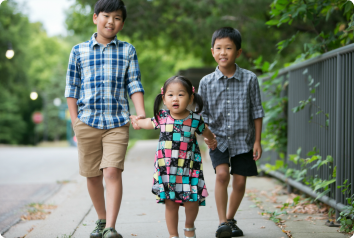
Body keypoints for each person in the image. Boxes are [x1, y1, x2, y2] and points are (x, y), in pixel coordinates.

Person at [65, 0, 145, 237]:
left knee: (111, 172)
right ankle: (100, 219)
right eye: (107, 16)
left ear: (122, 24)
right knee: (92, 174)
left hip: (117, 122)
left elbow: (134, 83)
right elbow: (72, 88)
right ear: (95, 18)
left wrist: (139, 113)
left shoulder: (127, 50)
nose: (111, 21)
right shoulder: (78, 50)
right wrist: (74, 122)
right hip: (86, 121)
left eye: (118, 18)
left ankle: (110, 226)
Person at [130, 76, 217, 238]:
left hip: (189, 169)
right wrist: (136, 121)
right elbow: (148, 123)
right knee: (170, 203)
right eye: (170, 95)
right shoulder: (162, 117)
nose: (175, 98)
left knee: (192, 201)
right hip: (167, 170)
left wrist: (211, 139)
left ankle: (189, 227)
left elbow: (206, 131)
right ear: (164, 99)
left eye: (181, 94)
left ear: (191, 98)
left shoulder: (194, 119)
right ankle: (173, 235)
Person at [198, 27, 265, 238]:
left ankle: (230, 218)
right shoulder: (206, 82)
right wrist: (207, 136)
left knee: (240, 181)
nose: (223, 52)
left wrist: (258, 141)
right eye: (218, 48)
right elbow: (201, 115)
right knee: (222, 175)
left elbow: (257, 111)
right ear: (212, 52)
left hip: (244, 140)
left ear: (238, 52)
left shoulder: (250, 79)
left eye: (228, 48)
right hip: (217, 140)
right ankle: (222, 223)